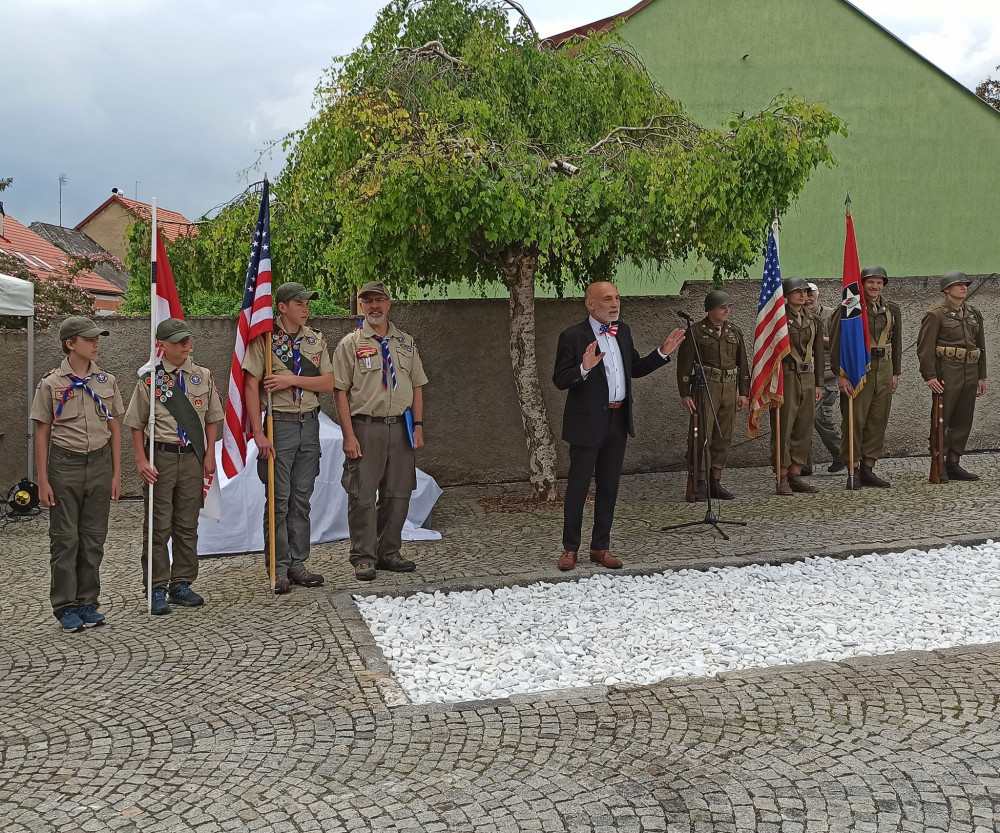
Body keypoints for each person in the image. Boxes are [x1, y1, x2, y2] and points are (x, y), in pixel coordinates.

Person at [554, 281, 685, 571]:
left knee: (609, 486)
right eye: (607, 299)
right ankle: (569, 548)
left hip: (618, 420)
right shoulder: (572, 337)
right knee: (578, 487)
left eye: (617, 298)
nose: (615, 304)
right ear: (590, 304)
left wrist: (662, 353)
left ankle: (600, 546)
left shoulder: (622, 332)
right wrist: (584, 368)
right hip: (587, 423)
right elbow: (560, 380)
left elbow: (634, 369)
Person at [124, 319, 224, 615]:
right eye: (179, 341)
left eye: (187, 340)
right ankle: (156, 586)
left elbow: (211, 419)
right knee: (158, 524)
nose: (185, 346)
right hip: (162, 457)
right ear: (162, 345)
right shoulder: (151, 381)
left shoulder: (203, 376)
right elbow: (135, 424)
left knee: (186, 524)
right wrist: (142, 460)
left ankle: (181, 583)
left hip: (192, 457)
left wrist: (209, 455)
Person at [31, 317, 123, 632]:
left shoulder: (106, 382)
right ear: (71, 344)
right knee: (65, 540)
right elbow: (42, 433)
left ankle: (87, 602)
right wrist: (42, 479)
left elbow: (114, 428)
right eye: (89, 339)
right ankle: (65, 606)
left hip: (99, 465)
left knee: (94, 539)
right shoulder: (52, 383)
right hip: (64, 465)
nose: (96, 343)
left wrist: (115, 473)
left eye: (98, 338)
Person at [244, 282, 336, 594]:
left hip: (309, 424)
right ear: (282, 307)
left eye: (307, 302)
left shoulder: (315, 339)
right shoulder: (266, 339)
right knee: (279, 501)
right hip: (279, 425)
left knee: (302, 499)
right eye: (299, 303)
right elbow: (250, 386)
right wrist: (258, 433)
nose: (306, 308)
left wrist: (289, 379)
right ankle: (279, 567)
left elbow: (327, 382)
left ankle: (299, 563)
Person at [333, 280, 428, 582]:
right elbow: (339, 392)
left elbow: (417, 385)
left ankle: (389, 551)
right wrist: (348, 435)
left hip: (400, 427)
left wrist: (419, 426)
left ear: (389, 304)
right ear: (360, 306)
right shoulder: (350, 344)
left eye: (379, 300)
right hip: (366, 427)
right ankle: (363, 557)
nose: (373, 306)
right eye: (367, 301)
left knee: (398, 494)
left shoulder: (406, 343)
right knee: (361, 495)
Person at [829, 265, 902, 488]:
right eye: (871, 282)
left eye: (879, 282)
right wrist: (839, 374)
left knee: (878, 419)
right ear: (862, 284)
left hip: (884, 368)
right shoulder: (850, 308)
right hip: (858, 370)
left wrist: (895, 373)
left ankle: (869, 467)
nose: (875, 286)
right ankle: (854, 468)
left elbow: (896, 343)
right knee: (855, 420)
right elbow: (835, 342)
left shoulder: (891, 309)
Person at [676, 289, 749, 500]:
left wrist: (743, 392)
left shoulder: (734, 332)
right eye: (721, 307)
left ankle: (715, 480)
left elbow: (742, 363)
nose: (726, 310)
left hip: (729, 387)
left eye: (728, 307)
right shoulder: (697, 331)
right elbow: (684, 365)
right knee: (703, 435)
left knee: (724, 435)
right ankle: (699, 482)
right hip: (706, 386)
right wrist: (685, 393)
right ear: (710, 310)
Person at [916, 270, 986, 481]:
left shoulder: (973, 313)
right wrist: (929, 376)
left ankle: (954, 461)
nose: (964, 287)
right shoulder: (936, 314)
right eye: (958, 285)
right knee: (941, 419)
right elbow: (924, 348)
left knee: (963, 418)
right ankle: (938, 462)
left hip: (970, 369)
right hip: (948, 370)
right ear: (947, 289)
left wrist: (981, 376)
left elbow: (980, 346)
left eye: (965, 284)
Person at [770, 277, 824, 495]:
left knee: (804, 426)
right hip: (786, 377)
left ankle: (795, 474)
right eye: (797, 291)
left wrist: (819, 382)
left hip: (808, 376)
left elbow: (819, 352)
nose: (803, 295)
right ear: (787, 295)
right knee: (784, 427)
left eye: (805, 291)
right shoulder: (778, 319)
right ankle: (781, 476)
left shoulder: (813, 318)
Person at [805, 282, 845, 474]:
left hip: (827, 375)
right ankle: (803, 466)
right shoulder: (795, 316)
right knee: (802, 418)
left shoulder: (830, 315)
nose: (808, 298)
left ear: (818, 296)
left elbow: (840, 341)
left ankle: (841, 454)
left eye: (811, 293)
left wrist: (814, 338)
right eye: (804, 294)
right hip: (803, 376)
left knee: (820, 417)